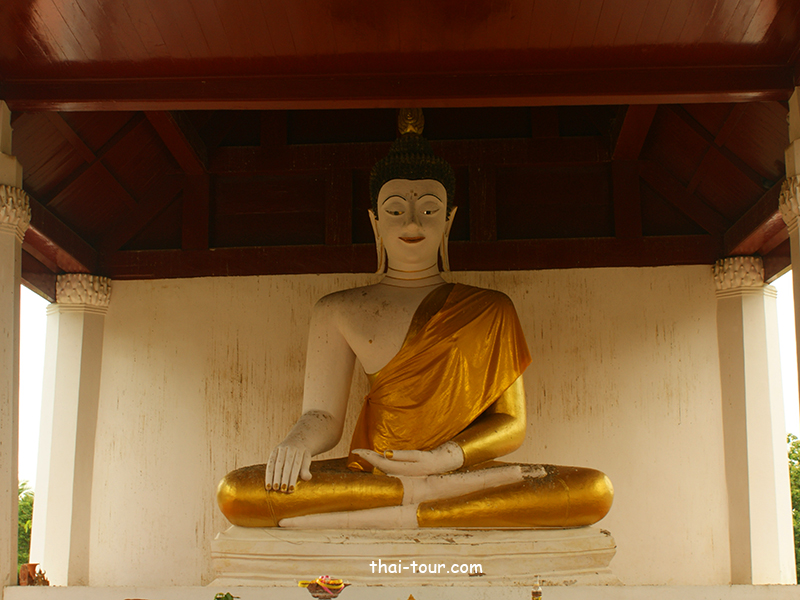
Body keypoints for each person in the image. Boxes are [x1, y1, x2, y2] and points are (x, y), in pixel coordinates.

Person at [217, 110, 613, 528]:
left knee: (592, 489)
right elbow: (324, 416)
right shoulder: (337, 309)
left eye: (428, 210)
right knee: (238, 492)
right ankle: (429, 506)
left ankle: (411, 507)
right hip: (376, 472)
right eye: (394, 210)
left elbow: (511, 424)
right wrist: (297, 442)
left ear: (449, 220)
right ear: (374, 222)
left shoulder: (492, 308)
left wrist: (443, 459)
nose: (410, 222)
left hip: (462, 473)